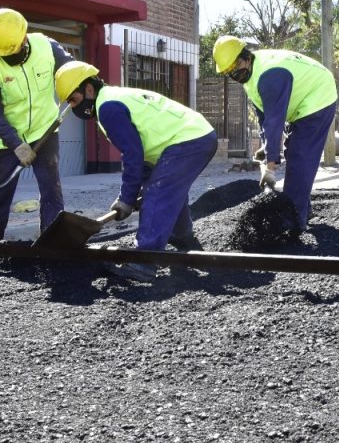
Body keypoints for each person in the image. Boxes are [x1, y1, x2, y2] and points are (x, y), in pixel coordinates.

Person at [53, 61, 217, 281]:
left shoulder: (108, 107)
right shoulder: (112, 97)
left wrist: (127, 198)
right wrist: (135, 192)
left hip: (188, 140)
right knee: (163, 190)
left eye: (74, 100)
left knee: (158, 193)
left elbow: (132, 156)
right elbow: (141, 154)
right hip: (191, 137)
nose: (74, 108)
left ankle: (144, 261)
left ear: (88, 90)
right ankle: (182, 237)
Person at [211, 36, 338, 237]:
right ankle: (302, 208)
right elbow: (264, 118)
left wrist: (270, 167)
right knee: (294, 152)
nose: (234, 74)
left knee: (299, 156)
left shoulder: (270, 75)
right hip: (302, 102)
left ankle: (293, 222)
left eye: (235, 67)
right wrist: (265, 146)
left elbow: (275, 122)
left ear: (245, 56)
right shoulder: (250, 79)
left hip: (319, 95)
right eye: (228, 72)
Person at [0, 7, 73, 239]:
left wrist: (79, 88)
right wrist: (16, 144)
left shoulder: (46, 46)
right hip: (2, 142)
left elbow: (70, 71)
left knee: (51, 190)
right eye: (4, 54)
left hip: (43, 130)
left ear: (25, 38)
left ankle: (53, 240)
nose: (8, 56)